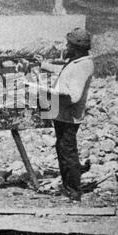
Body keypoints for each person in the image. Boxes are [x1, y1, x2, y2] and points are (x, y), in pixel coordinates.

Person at [34, 28, 94, 201]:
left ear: (76, 47)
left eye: (69, 44)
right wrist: (43, 65)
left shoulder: (83, 66)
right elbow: (63, 71)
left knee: (68, 152)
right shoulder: (77, 61)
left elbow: (73, 96)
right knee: (62, 149)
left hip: (69, 115)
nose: (66, 46)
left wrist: (46, 92)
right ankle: (69, 187)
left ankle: (74, 191)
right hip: (63, 114)